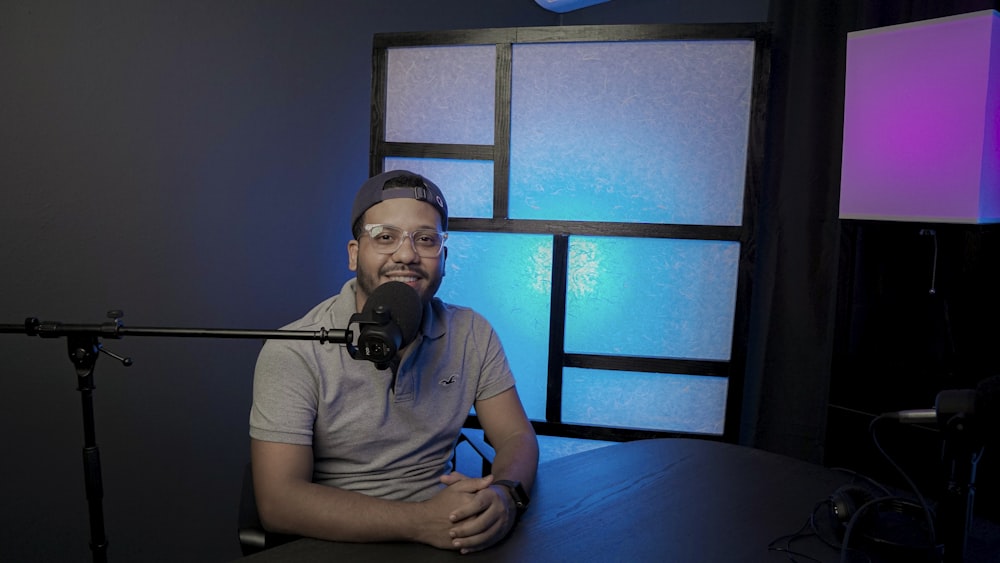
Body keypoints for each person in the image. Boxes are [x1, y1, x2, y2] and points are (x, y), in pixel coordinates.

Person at [249, 169, 538, 554]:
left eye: (426, 239)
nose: (406, 254)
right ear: (354, 254)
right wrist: (420, 522)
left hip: (445, 533)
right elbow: (279, 503)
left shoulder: (471, 332)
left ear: (444, 257)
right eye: (385, 237)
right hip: (333, 539)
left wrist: (505, 495)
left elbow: (516, 436)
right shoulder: (294, 348)